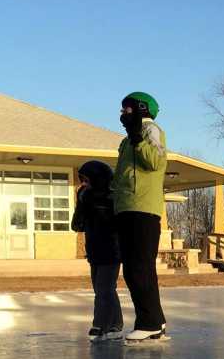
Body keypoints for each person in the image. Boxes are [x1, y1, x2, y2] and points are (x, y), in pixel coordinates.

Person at [110, 92, 168, 344]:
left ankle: (150, 323)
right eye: (122, 110)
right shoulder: (126, 141)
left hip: (142, 208)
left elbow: (155, 161)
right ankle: (156, 320)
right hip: (127, 208)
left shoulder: (150, 130)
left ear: (141, 109)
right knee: (139, 269)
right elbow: (122, 177)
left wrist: (137, 136)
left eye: (128, 109)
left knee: (138, 269)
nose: (123, 114)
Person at [71, 160, 123, 342]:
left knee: (104, 289)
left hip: (112, 250)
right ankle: (116, 324)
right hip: (94, 250)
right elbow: (77, 225)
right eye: (81, 180)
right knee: (105, 289)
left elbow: (116, 224)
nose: (83, 184)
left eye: (86, 179)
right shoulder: (85, 198)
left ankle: (100, 324)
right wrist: (81, 202)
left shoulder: (112, 198)